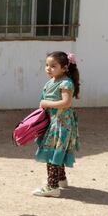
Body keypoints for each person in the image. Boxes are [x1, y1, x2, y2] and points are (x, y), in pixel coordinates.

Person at [32, 51, 81, 197]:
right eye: (47, 65)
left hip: (61, 123)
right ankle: (61, 179)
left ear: (65, 68)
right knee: (57, 149)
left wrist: (46, 103)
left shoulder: (65, 83)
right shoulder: (52, 81)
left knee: (53, 151)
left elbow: (66, 103)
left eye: (53, 66)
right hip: (54, 121)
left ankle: (52, 186)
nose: (48, 68)